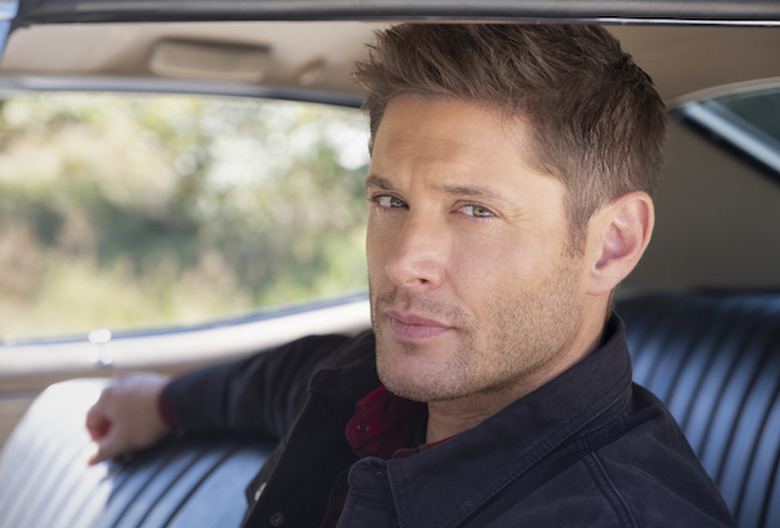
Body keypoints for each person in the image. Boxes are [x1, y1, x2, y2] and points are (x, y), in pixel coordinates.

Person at [86, 23, 737, 527]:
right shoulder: (377, 385)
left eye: (475, 210)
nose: (403, 263)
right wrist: (163, 403)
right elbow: (289, 378)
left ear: (611, 245)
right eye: (391, 201)